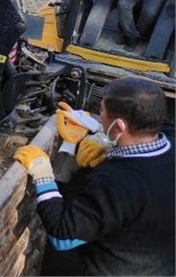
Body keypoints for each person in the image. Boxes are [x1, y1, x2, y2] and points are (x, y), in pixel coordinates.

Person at [14, 77, 175, 275]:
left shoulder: (115, 181)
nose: (100, 115)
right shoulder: (170, 143)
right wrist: (100, 134)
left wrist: (43, 173)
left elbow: (63, 236)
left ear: (119, 127)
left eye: (102, 113)